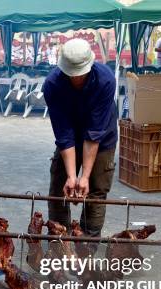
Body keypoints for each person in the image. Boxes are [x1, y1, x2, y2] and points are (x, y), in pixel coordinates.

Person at [43, 39, 117, 237]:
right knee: (59, 188)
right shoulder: (52, 84)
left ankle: (88, 244)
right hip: (70, 138)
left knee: (96, 191)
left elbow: (94, 134)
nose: (76, 78)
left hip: (101, 137)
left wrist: (84, 177)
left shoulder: (106, 80)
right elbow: (63, 133)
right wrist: (71, 176)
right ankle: (59, 242)